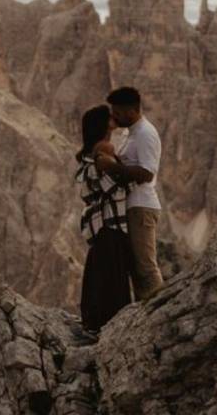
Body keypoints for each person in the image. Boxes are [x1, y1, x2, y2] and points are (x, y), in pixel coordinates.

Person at [97, 87, 164, 301]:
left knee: (145, 267)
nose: (114, 116)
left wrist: (112, 167)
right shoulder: (130, 133)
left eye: (118, 111)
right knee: (135, 266)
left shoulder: (146, 133)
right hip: (133, 206)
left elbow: (146, 172)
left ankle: (160, 313)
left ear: (132, 111)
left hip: (142, 207)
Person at [74, 105, 133, 332]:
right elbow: (119, 184)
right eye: (110, 116)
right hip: (112, 222)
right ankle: (112, 328)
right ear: (104, 124)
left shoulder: (92, 150)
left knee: (100, 273)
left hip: (100, 225)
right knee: (113, 277)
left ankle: (94, 323)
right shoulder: (105, 147)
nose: (114, 117)